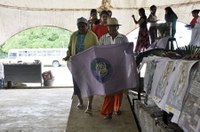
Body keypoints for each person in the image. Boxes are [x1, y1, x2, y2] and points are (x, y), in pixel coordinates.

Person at [63, 17, 98, 113]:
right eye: (79, 26)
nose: (81, 28)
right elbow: (70, 47)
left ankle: (90, 105)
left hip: (88, 64)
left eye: (83, 26)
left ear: (87, 26)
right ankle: (80, 100)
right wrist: (68, 55)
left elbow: (96, 49)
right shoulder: (74, 35)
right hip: (76, 63)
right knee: (77, 83)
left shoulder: (92, 36)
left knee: (90, 84)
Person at [99, 17, 129, 119]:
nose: (112, 28)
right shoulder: (103, 38)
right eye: (110, 26)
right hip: (107, 68)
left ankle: (117, 108)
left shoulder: (123, 38)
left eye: (114, 26)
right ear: (107, 27)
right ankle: (108, 112)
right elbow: (100, 53)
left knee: (119, 90)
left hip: (120, 67)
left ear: (117, 27)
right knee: (109, 91)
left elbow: (128, 52)